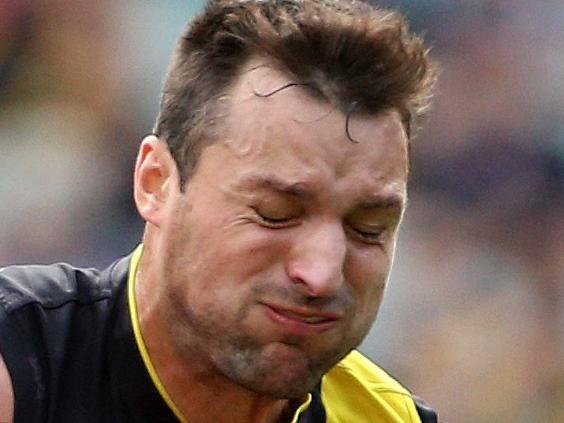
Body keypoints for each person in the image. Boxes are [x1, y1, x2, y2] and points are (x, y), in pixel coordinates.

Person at [0, 0, 439, 422]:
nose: (322, 274)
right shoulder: (19, 367)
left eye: (368, 228)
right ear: (156, 183)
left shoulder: (387, 418)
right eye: (275, 213)